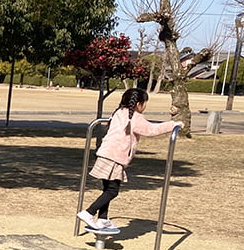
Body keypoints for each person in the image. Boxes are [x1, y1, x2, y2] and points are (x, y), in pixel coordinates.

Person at [77, 87, 182, 230]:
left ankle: (102, 219)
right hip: (115, 158)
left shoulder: (119, 112)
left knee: (107, 189)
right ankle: (89, 212)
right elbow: (151, 130)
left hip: (105, 154)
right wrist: (173, 125)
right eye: (145, 103)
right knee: (112, 191)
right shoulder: (135, 118)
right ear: (139, 104)